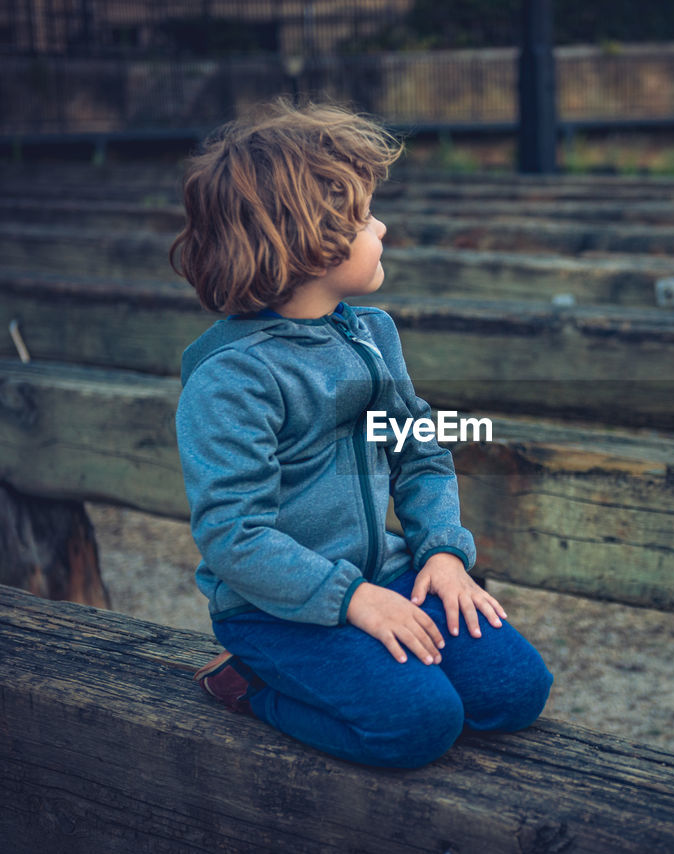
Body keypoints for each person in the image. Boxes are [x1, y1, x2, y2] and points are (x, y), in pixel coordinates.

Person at [170, 98, 552, 769]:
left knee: (514, 693)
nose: (383, 226)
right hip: (276, 610)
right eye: (364, 217)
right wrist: (351, 600)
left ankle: (380, 655)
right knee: (419, 726)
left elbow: (420, 453)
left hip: (388, 571)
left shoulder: (372, 335)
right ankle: (250, 685)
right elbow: (236, 535)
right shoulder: (234, 379)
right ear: (308, 241)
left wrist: (441, 554)